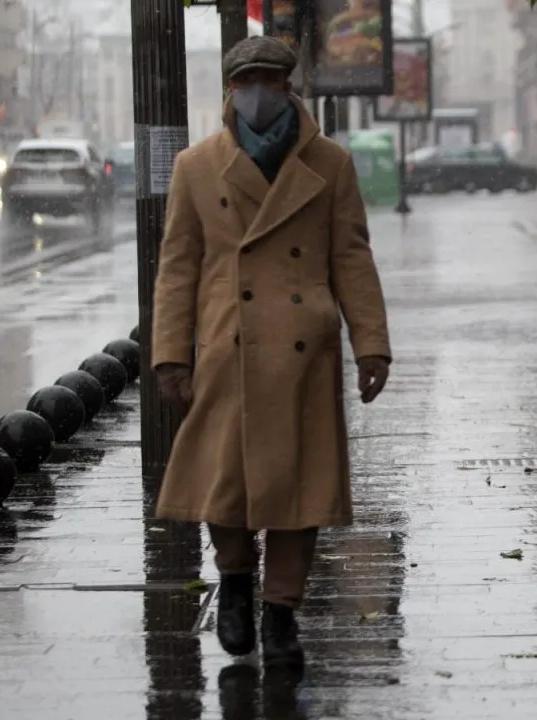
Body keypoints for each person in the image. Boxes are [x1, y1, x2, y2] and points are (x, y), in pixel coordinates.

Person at [151, 36, 392, 670]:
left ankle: (281, 609)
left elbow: (351, 257)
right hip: (227, 347)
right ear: (229, 89)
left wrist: (372, 345)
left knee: (299, 488)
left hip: (303, 350)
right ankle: (234, 580)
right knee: (224, 481)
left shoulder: (331, 164)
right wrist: (171, 353)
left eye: (270, 79)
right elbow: (177, 269)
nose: (258, 91)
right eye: (246, 80)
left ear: (291, 86)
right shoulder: (196, 166)